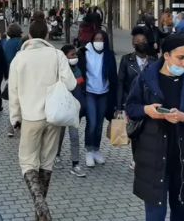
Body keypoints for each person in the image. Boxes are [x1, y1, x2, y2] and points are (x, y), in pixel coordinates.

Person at [125, 34, 184, 221]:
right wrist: (147, 110)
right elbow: (131, 108)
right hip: (153, 158)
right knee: (155, 214)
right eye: (180, 57)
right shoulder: (146, 78)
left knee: (180, 213)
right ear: (166, 55)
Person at [8, 14, 77, 220]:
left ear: (29, 35)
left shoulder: (20, 58)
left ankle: (40, 206)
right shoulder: (57, 55)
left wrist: (15, 118)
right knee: (46, 162)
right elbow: (71, 84)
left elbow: (13, 91)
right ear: (47, 33)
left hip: (30, 117)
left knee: (28, 163)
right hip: (53, 116)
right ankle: (40, 211)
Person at [77, 30, 118, 167]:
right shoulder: (84, 52)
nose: (98, 42)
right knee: (92, 122)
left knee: (100, 124)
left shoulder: (109, 54)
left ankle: (96, 149)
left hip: (104, 93)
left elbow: (113, 76)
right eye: (96, 39)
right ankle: (88, 150)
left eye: (101, 39)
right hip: (89, 92)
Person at [56, 44, 87, 178]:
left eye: (76, 54)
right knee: (59, 134)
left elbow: (80, 89)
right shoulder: (60, 71)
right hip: (62, 108)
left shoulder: (78, 70)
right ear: (65, 57)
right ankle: (56, 155)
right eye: (72, 55)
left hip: (75, 109)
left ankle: (75, 164)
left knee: (74, 136)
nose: (75, 57)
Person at [117, 27, 154, 113]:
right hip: (130, 103)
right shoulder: (126, 60)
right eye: (137, 41)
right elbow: (120, 83)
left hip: (148, 105)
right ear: (133, 44)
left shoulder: (153, 61)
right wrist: (119, 107)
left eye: (143, 40)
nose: (141, 42)